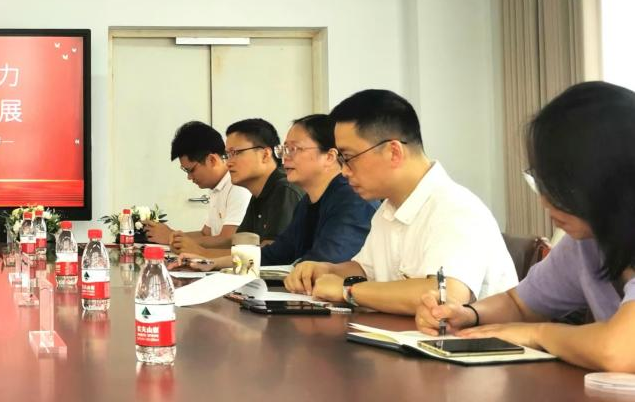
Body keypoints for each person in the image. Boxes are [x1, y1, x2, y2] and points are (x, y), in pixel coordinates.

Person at [415, 82, 635, 372]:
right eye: (540, 182)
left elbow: (619, 351)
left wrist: (538, 334)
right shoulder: (585, 243)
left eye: (557, 185)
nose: (544, 200)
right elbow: (520, 304)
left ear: (608, 178)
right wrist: (467, 314)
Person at [284, 89, 516, 315]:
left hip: (468, 340)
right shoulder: (387, 210)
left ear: (393, 152)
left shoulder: (455, 208)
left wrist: (348, 290)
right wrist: (327, 270)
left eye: (349, 157)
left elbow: (446, 294)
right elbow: (367, 270)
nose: (344, 171)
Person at [171, 114, 376, 268]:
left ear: (329, 156)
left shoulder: (352, 199)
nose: (285, 157)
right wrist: (212, 262)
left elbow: (320, 267)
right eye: (284, 150)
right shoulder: (307, 203)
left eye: (293, 149)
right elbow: (274, 254)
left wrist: (206, 254)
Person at [142, 121, 251, 249]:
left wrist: (171, 237)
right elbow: (205, 234)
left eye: (191, 170)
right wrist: (172, 235)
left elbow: (227, 240)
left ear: (212, 160)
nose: (189, 177)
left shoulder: (238, 187)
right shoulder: (217, 188)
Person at [222, 119, 303, 242]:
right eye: (227, 155)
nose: (228, 163)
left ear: (265, 155)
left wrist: (203, 252)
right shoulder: (258, 194)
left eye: (235, 153)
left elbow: (273, 251)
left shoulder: (285, 190)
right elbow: (241, 242)